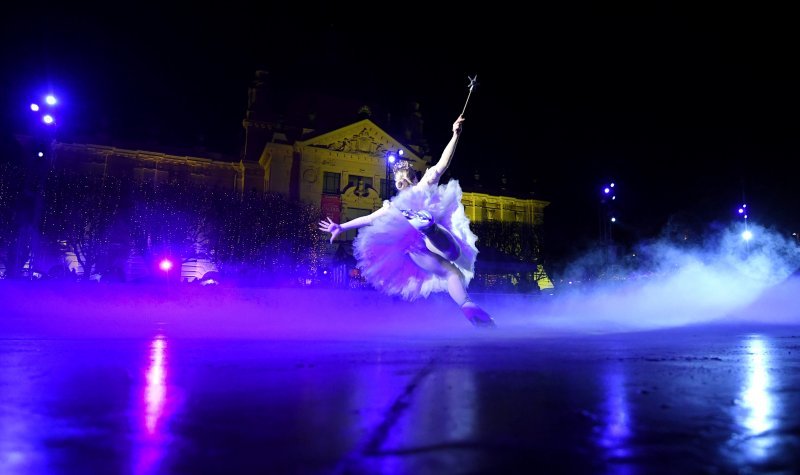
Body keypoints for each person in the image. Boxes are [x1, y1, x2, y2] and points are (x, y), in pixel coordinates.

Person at [319, 115, 495, 328]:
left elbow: (369, 219)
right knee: (454, 257)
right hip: (427, 235)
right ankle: (430, 229)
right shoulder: (423, 185)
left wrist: (341, 226)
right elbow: (443, 163)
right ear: (413, 176)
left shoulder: (391, 207)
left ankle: (466, 304)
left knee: (450, 271)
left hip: (411, 247)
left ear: (399, 183)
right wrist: (455, 135)